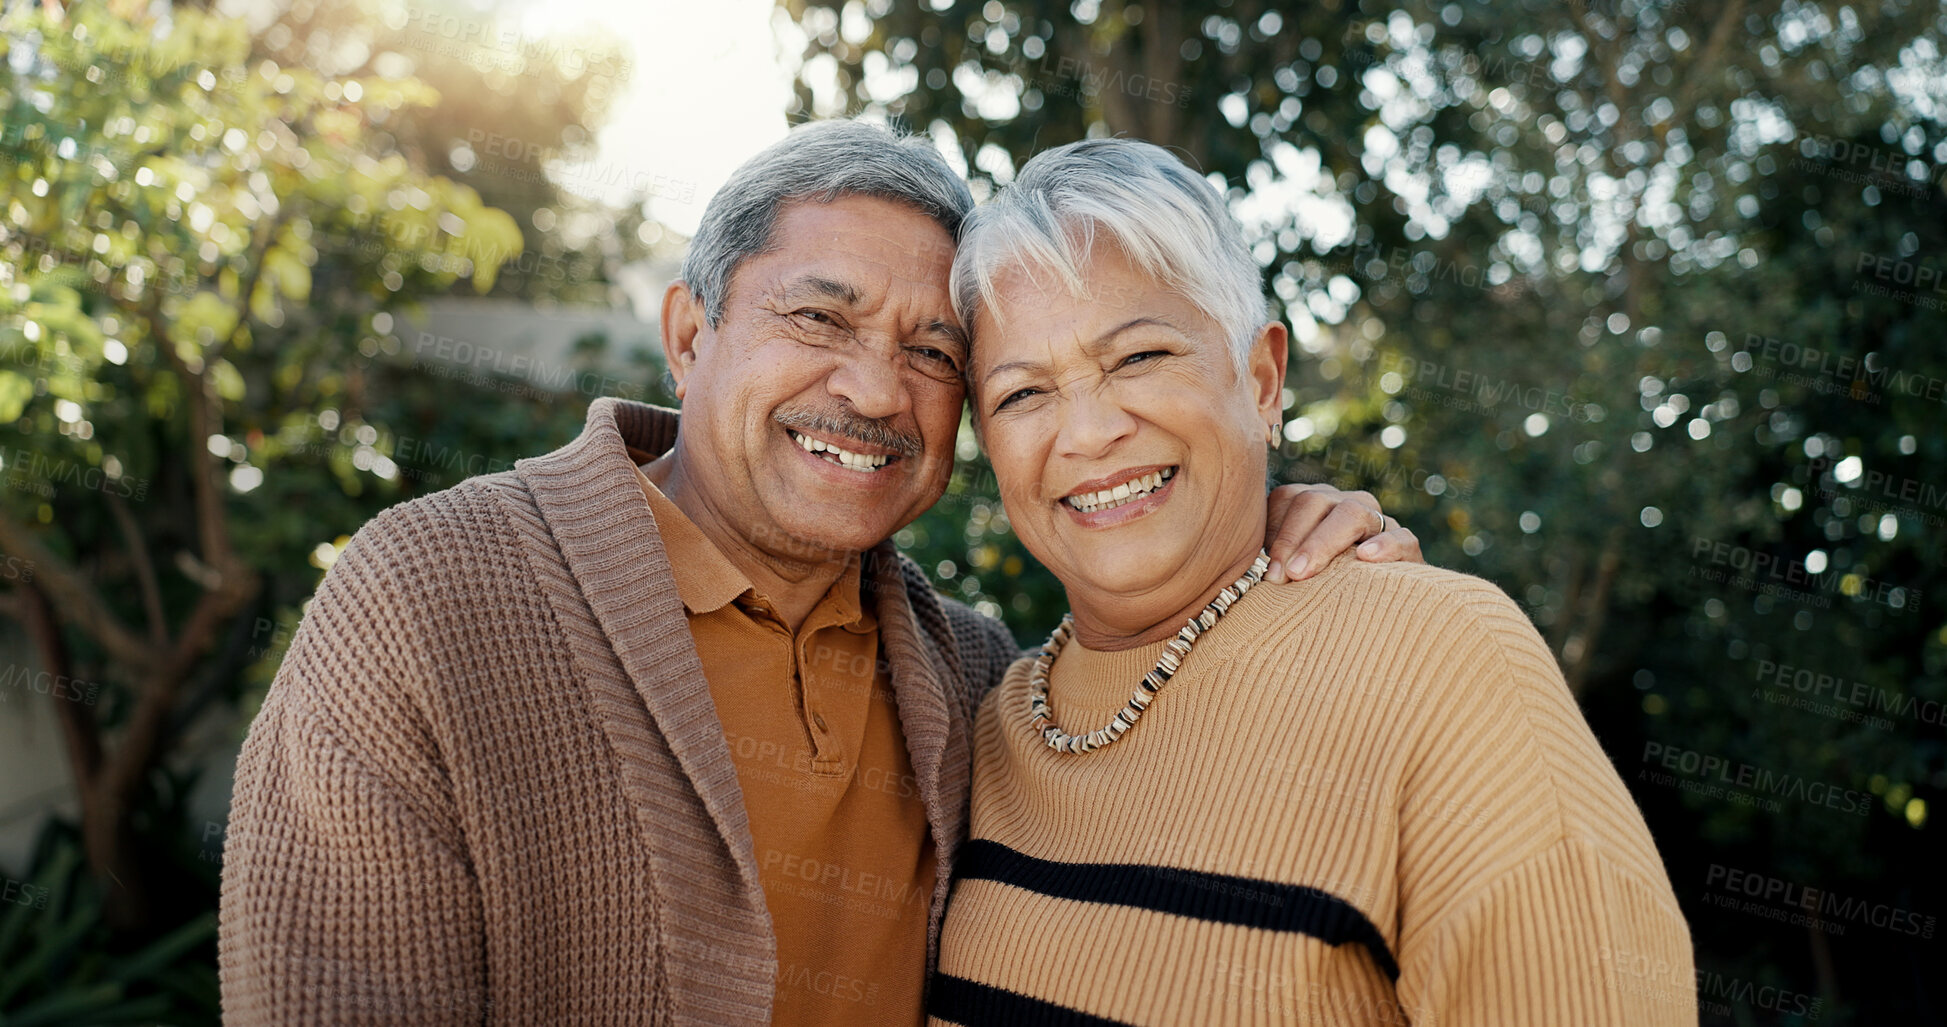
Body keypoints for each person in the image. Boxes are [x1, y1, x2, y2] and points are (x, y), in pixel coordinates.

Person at [216, 120, 1425, 1025]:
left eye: (933, 350)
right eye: (820, 319)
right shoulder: (432, 597)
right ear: (692, 337)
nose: (872, 389)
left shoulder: (980, 681)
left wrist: (1273, 537)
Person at [930, 138, 1696, 1026]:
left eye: (1138, 358)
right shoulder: (982, 721)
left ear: (1260, 379)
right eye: (1023, 394)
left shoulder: (1445, 660)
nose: (1090, 430)